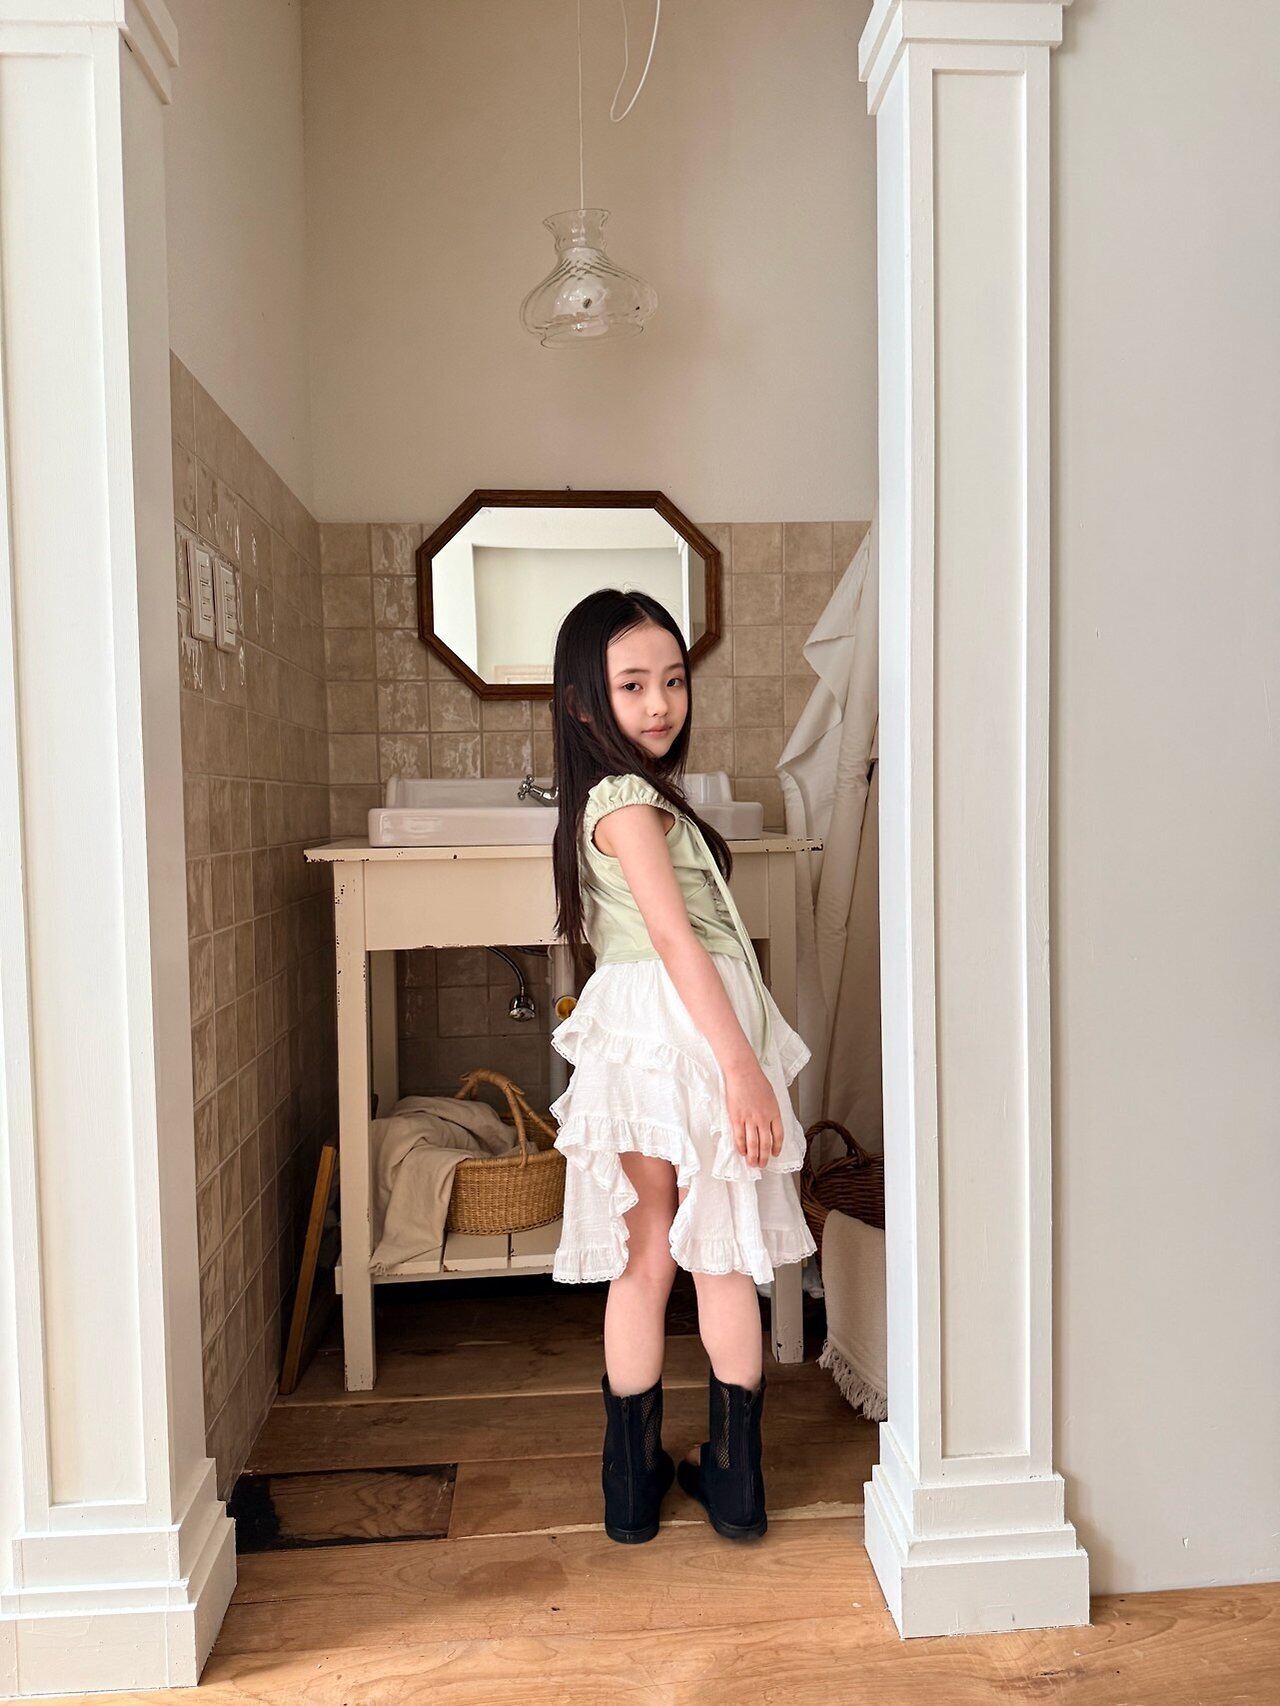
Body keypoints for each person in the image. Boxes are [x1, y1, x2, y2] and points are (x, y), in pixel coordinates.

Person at [547, 586, 817, 1545]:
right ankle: (735, 1481)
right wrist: (741, 1066)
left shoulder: (625, 798)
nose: (660, 702)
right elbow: (673, 937)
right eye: (632, 685)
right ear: (585, 703)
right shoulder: (626, 800)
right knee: (718, 1251)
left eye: (673, 680)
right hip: (685, 1031)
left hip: (650, 1031)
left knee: (649, 1250)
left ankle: (631, 1488)